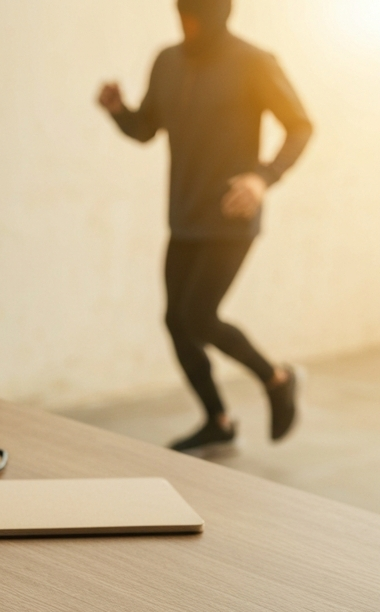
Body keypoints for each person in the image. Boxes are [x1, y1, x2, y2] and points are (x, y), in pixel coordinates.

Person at [98, 0, 313, 452]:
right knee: (176, 321)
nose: (189, 25)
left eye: (197, 16)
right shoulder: (167, 61)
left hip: (231, 215)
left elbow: (300, 126)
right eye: (182, 15)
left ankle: (277, 379)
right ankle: (218, 420)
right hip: (184, 216)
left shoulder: (255, 62)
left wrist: (263, 177)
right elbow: (146, 128)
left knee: (198, 315)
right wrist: (119, 111)